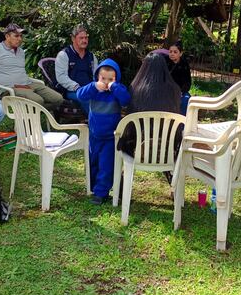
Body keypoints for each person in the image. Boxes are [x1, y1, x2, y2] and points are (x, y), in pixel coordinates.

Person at [76, 59, 131, 204]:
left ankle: (101, 192)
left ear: (116, 79)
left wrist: (115, 86)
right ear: (97, 77)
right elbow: (80, 95)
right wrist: (94, 86)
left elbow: (126, 100)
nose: (106, 82)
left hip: (110, 137)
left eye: (110, 79)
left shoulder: (117, 90)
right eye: (103, 79)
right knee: (93, 162)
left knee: (106, 165)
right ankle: (95, 187)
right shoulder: (94, 90)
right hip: (94, 135)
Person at [0, 23, 64, 112]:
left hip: (28, 84)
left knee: (58, 99)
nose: (20, 39)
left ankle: (30, 113)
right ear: (7, 36)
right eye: (16, 36)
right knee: (38, 101)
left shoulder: (21, 51)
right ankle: (29, 116)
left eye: (21, 36)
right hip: (9, 89)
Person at [118, 52, 183, 158]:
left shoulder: (135, 89)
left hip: (137, 150)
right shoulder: (174, 90)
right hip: (168, 152)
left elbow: (130, 125)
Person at [54, 25, 98, 114]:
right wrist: (77, 87)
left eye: (86, 38)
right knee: (86, 98)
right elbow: (61, 77)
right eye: (81, 38)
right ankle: (96, 121)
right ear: (73, 39)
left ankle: (113, 120)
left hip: (89, 88)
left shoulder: (91, 56)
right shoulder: (64, 55)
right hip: (71, 91)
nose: (84, 40)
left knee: (107, 97)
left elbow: (96, 75)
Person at [165, 41, 192, 115]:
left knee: (186, 99)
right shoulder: (165, 62)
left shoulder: (184, 64)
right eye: (170, 51)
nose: (172, 54)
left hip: (181, 91)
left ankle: (182, 120)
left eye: (175, 52)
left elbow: (188, 82)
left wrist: (181, 92)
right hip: (166, 90)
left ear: (180, 53)